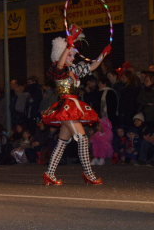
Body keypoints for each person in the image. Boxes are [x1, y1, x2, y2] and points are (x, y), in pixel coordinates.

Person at [42, 24, 111, 185]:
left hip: (72, 106)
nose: (73, 56)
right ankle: (88, 173)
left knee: (62, 142)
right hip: (67, 106)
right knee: (82, 138)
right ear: (62, 54)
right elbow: (60, 64)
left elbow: (92, 66)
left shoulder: (74, 69)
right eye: (70, 54)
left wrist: (103, 55)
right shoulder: (59, 69)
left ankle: (49, 174)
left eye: (73, 54)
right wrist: (69, 44)